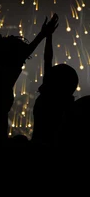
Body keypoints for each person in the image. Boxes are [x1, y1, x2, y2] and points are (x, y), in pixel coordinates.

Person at [33, 14, 77, 145]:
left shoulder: (48, 98)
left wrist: (48, 37)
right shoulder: (69, 107)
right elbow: (47, 61)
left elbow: (47, 60)